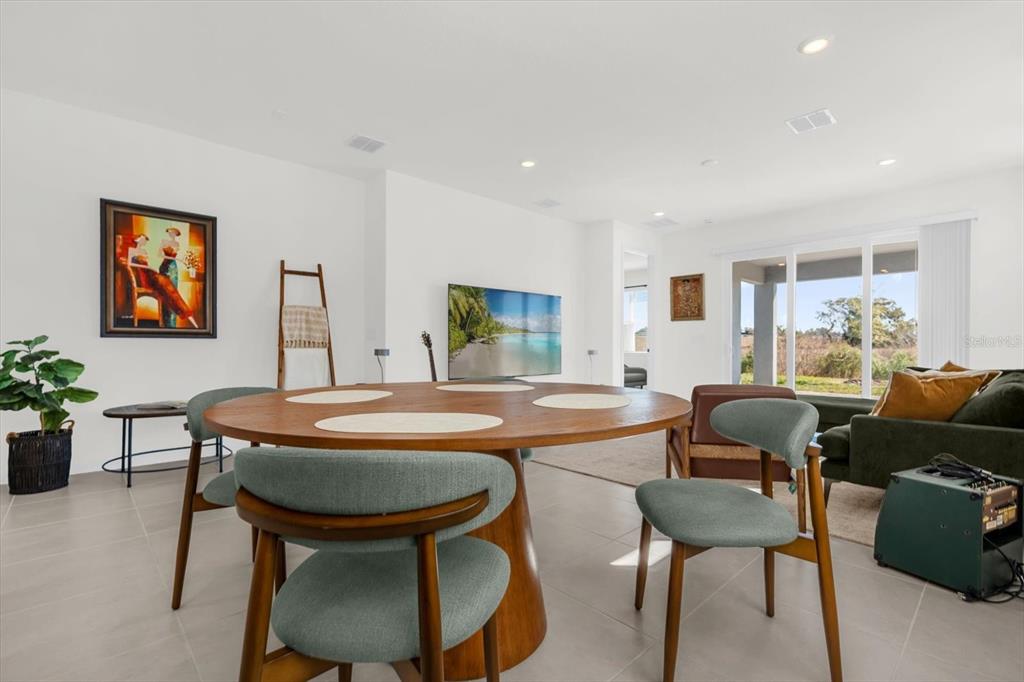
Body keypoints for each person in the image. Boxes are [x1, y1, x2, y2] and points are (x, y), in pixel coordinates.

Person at [159, 227, 182, 327]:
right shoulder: (164, 242)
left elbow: (173, 255)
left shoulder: (177, 244)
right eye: (170, 232)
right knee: (164, 293)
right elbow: (159, 254)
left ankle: (171, 324)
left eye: (173, 233)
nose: (171, 234)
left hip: (172, 269)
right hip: (164, 267)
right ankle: (164, 322)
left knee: (172, 294)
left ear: (176, 234)